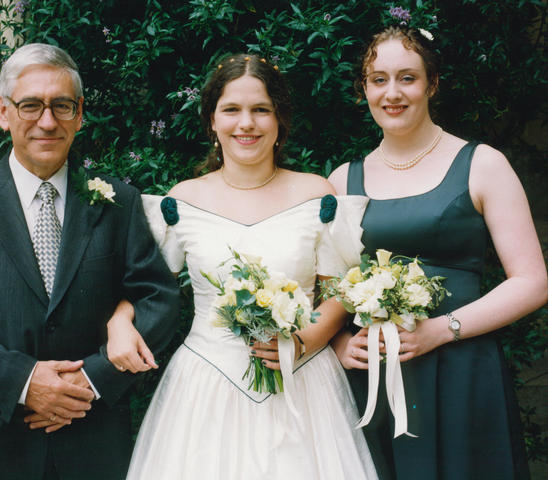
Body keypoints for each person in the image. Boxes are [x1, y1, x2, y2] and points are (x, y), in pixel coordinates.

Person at [0, 43, 179, 480]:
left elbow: (157, 300)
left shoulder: (119, 203)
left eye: (62, 106)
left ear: (79, 113)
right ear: (3, 112)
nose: (48, 121)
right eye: (31, 105)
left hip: (91, 442)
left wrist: (90, 380)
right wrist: (24, 382)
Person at [106, 53, 378, 479]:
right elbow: (148, 286)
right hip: (205, 387)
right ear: (212, 120)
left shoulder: (316, 195)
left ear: (279, 120)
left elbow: (342, 290)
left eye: (260, 110)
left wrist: (303, 340)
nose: (246, 123)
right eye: (231, 109)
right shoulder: (183, 201)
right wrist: (120, 320)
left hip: (302, 385)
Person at [328, 26, 548, 480]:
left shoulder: (482, 164)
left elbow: (532, 281)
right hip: (372, 384)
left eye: (407, 78)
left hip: (461, 371)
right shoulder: (340, 180)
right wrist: (338, 344)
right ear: (364, 88)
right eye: (378, 79)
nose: (392, 93)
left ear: (432, 83)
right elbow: (325, 288)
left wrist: (442, 330)